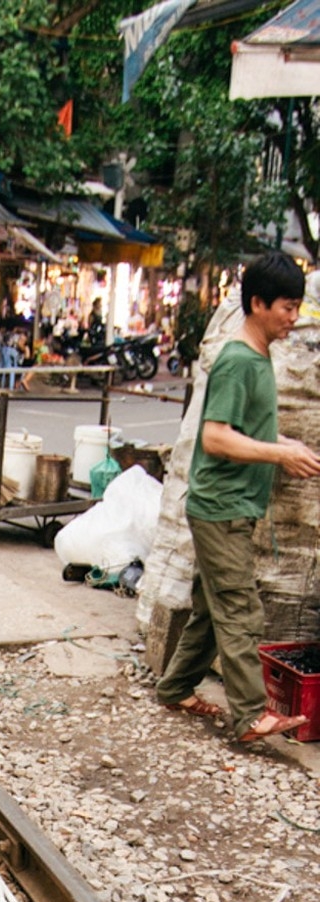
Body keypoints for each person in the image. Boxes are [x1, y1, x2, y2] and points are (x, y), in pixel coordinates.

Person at [156, 250, 320, 743]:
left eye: (297, 308)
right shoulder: (236, 361)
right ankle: (249, 714)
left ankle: (176, 687)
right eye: (286, 307)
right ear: (257, 303)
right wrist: (277, 454)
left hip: (231, 506)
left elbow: (246, 429)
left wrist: (285, 444)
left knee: (211, 608)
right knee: (241, 609)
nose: (293, 318)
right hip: (220, 508)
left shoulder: (259, 356)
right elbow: (215, 438)